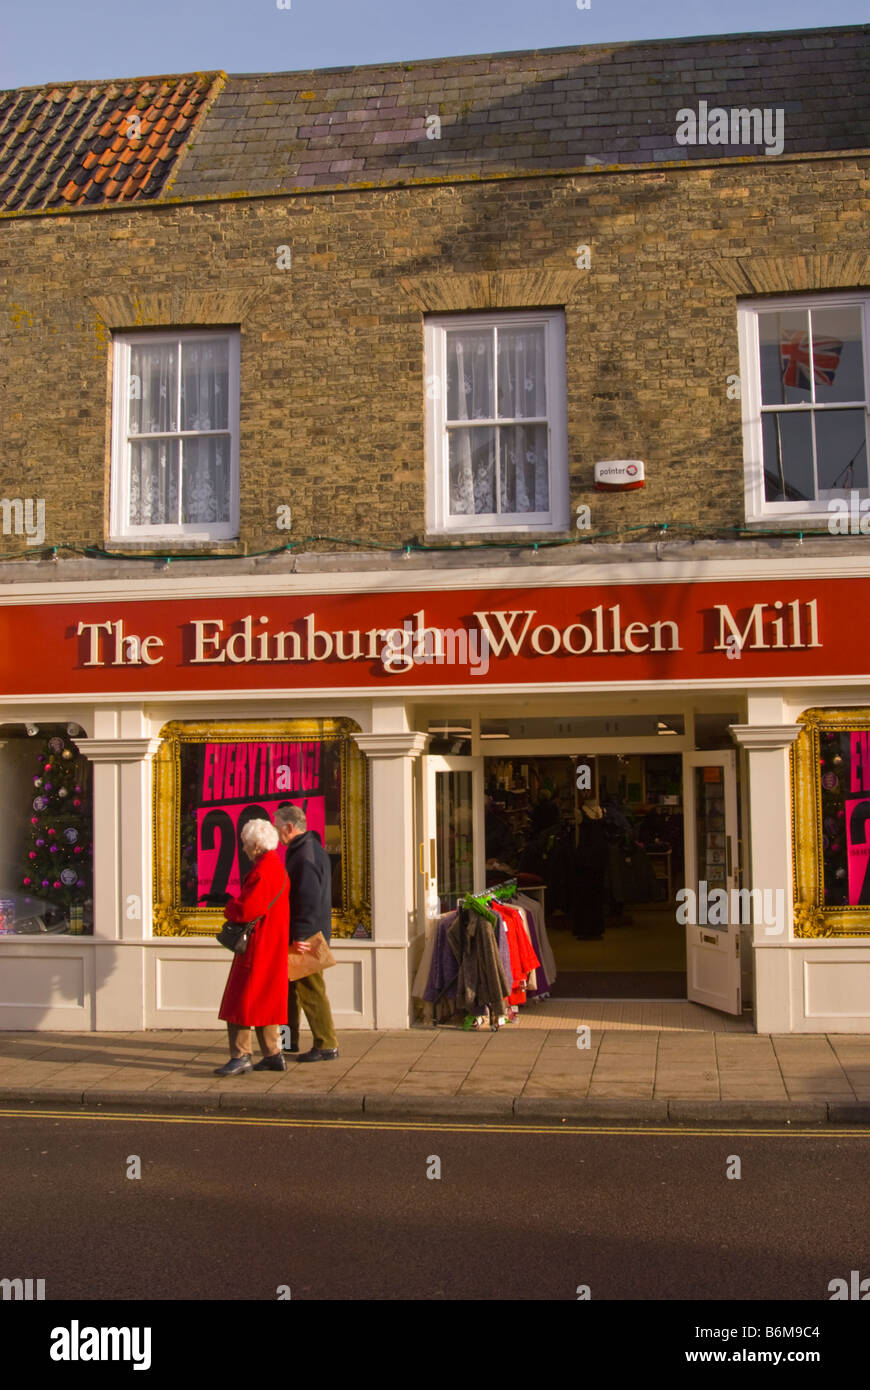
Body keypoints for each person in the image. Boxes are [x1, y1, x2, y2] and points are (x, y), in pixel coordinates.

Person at [214, 819, 290, 1076]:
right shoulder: (277, 867)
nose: (243, 849)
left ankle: (241, 1055)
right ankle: (272, 1053)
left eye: (246, 844)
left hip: (257, 946)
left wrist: (229, 906)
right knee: (265, 1001)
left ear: (257, 846)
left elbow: (248, 910)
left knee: (240, 1002)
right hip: (272, 944)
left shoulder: (262, 871)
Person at [274, 805, 339, 1062]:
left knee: (310, 990)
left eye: (277, 826)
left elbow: (309, 898)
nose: (276, 832)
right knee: (290, 989)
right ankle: (288, 1042)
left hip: (307, 936)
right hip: (307, 932)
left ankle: (326, 1045)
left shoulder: (305, 855)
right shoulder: (307, 850)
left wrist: (300, 935)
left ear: (290, 827)